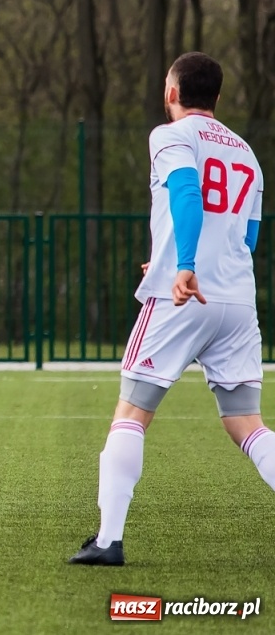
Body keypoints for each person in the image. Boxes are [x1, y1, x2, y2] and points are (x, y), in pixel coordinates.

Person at [70, 52, 270, 567]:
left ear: (172, 93)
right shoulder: (246, 152)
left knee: (131, 412)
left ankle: (109, 540)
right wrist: (170, 261)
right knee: (248, 425)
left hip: (183, 296)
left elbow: (186, 192)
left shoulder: (170, 136)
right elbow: (247, 236)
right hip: (236, 301)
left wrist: (181, 265)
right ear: (218, 99)